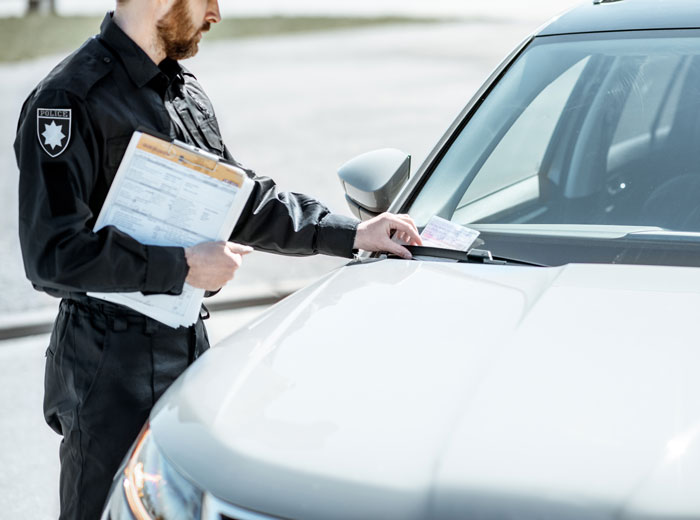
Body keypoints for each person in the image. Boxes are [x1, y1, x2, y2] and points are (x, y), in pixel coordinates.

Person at [13, 0, 422, 518]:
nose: (215, 14)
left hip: (187, 348)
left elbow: (243, 201)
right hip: (104, 367)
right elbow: (51, 255)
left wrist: (353, 233)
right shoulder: (68, 99)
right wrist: (182, 266)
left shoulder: (184, 92)